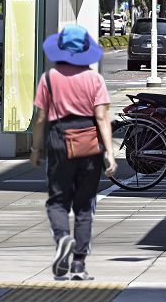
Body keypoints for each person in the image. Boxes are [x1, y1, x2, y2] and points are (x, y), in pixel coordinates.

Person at [29, 24, 117, 280]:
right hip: (89, 140)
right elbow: (101, 117)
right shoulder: (95, 79)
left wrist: (36, 149)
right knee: (84, 203)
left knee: (57, 200)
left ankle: (62, 237)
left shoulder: (49, 78)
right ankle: (78, 263)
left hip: (59, 139)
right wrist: (109, 153)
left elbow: (40, 119)